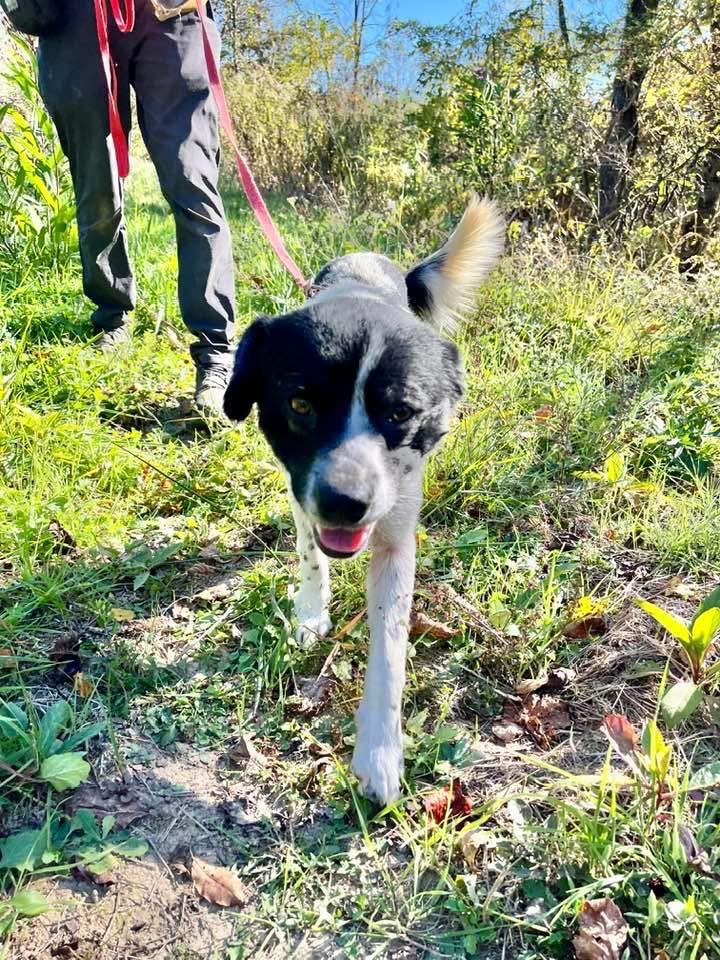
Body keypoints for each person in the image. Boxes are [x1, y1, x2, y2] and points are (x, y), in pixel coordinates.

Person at [37, 0, 235, 416]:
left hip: (173, 14)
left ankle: (216, 350)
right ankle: (111, 314)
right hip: (77, 17)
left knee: (192, 178)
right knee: (95, 182)